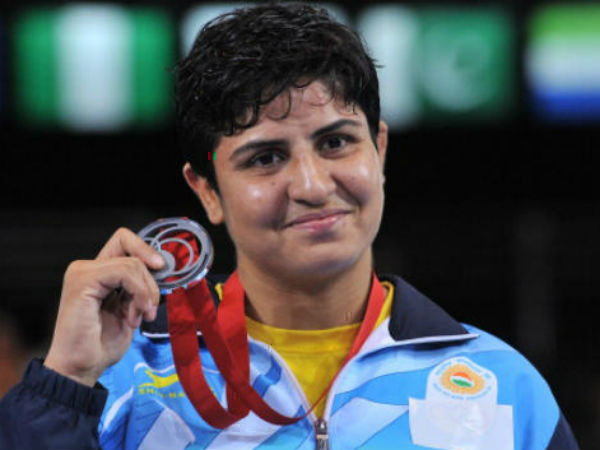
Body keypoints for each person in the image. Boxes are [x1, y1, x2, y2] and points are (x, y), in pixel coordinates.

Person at [0, 3, 579, 449]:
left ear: (379, 150)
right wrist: (67, 380)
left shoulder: (503, 387)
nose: (311, 184)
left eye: (336, 142)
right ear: (207, 191)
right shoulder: (119, 385)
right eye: (265, 157)